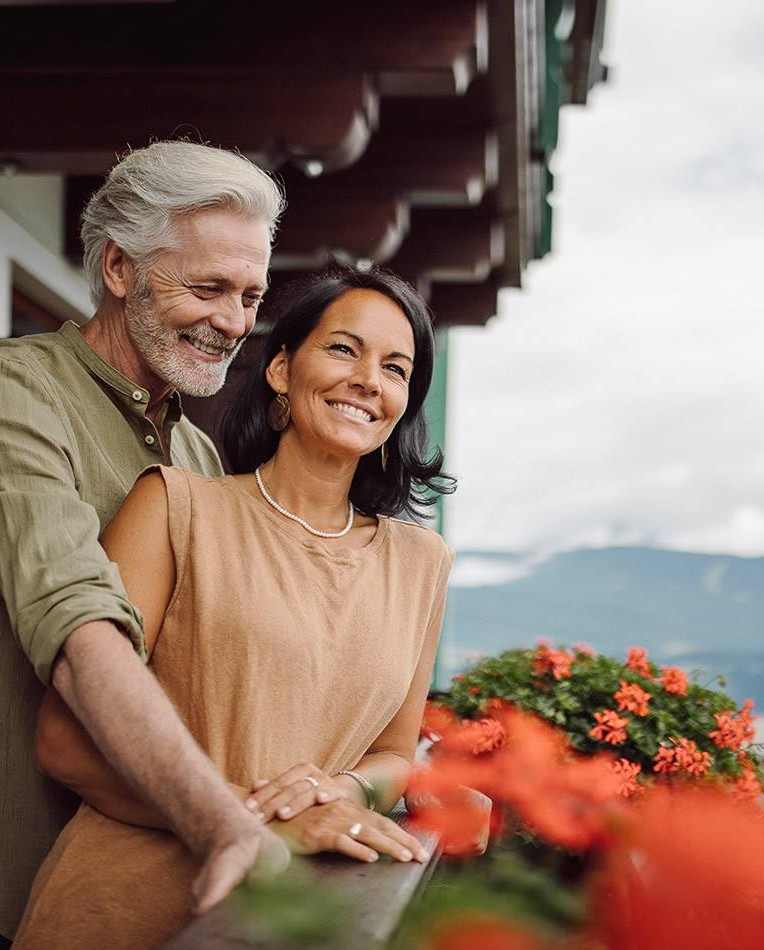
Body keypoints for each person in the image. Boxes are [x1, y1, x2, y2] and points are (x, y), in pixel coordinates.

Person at [13, 265, 457, 948]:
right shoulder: (174, 506)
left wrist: (344, 793)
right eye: (343, 348)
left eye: (396, 368)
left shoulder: (422, 563)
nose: (370, 378)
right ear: (282, 369)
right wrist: (260, 822)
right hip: (126, 910)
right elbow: (65, 743)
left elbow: (397, 750)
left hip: (297, 921)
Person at [0, 140, 289, 945]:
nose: (234, 323)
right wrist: (228, 827)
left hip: (133, 900)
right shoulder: (16, 393)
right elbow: (81, 632)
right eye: (208, 288)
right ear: (120, 269)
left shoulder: (197, 456)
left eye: (250, 295)